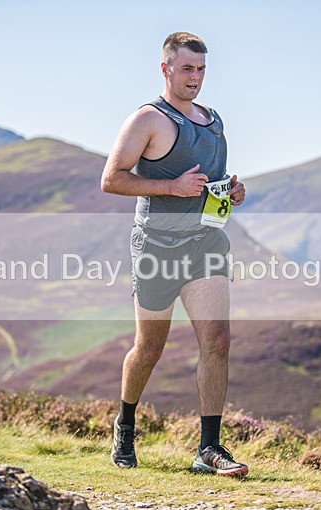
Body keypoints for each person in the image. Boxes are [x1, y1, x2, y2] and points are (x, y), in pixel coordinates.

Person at [101, 31, 248, 476]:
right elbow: (112, 179)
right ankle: (125, 425)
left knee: (217, 342)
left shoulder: (214, 120)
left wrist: (232, 191)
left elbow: (211, 181)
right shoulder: (147, 119)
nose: (196, 78)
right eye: (187, 68)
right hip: (157, 248)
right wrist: (171, 186)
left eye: (202, 70)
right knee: (149, 348)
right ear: (165, 68)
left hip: (206, 243)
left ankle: (209, 448)